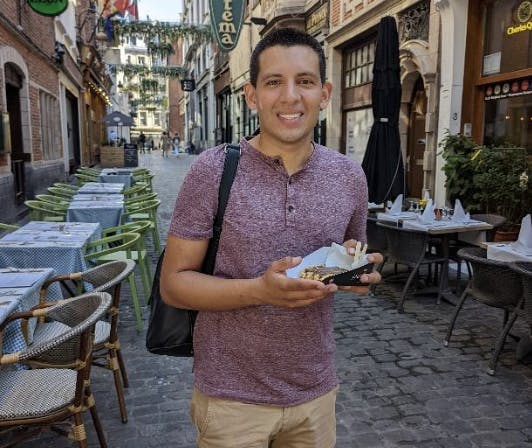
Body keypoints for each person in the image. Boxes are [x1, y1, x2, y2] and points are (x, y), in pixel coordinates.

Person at [160, 27, 383, 448]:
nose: (290, 97)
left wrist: (359, 271)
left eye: (305, 81)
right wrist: (260, 291)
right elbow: (173, 285)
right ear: (252, 95)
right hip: (230, 399)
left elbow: (351, 257)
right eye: (274, 82)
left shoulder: (350, 176)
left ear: (325, 93)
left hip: (315, 393)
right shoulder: (212, 171)